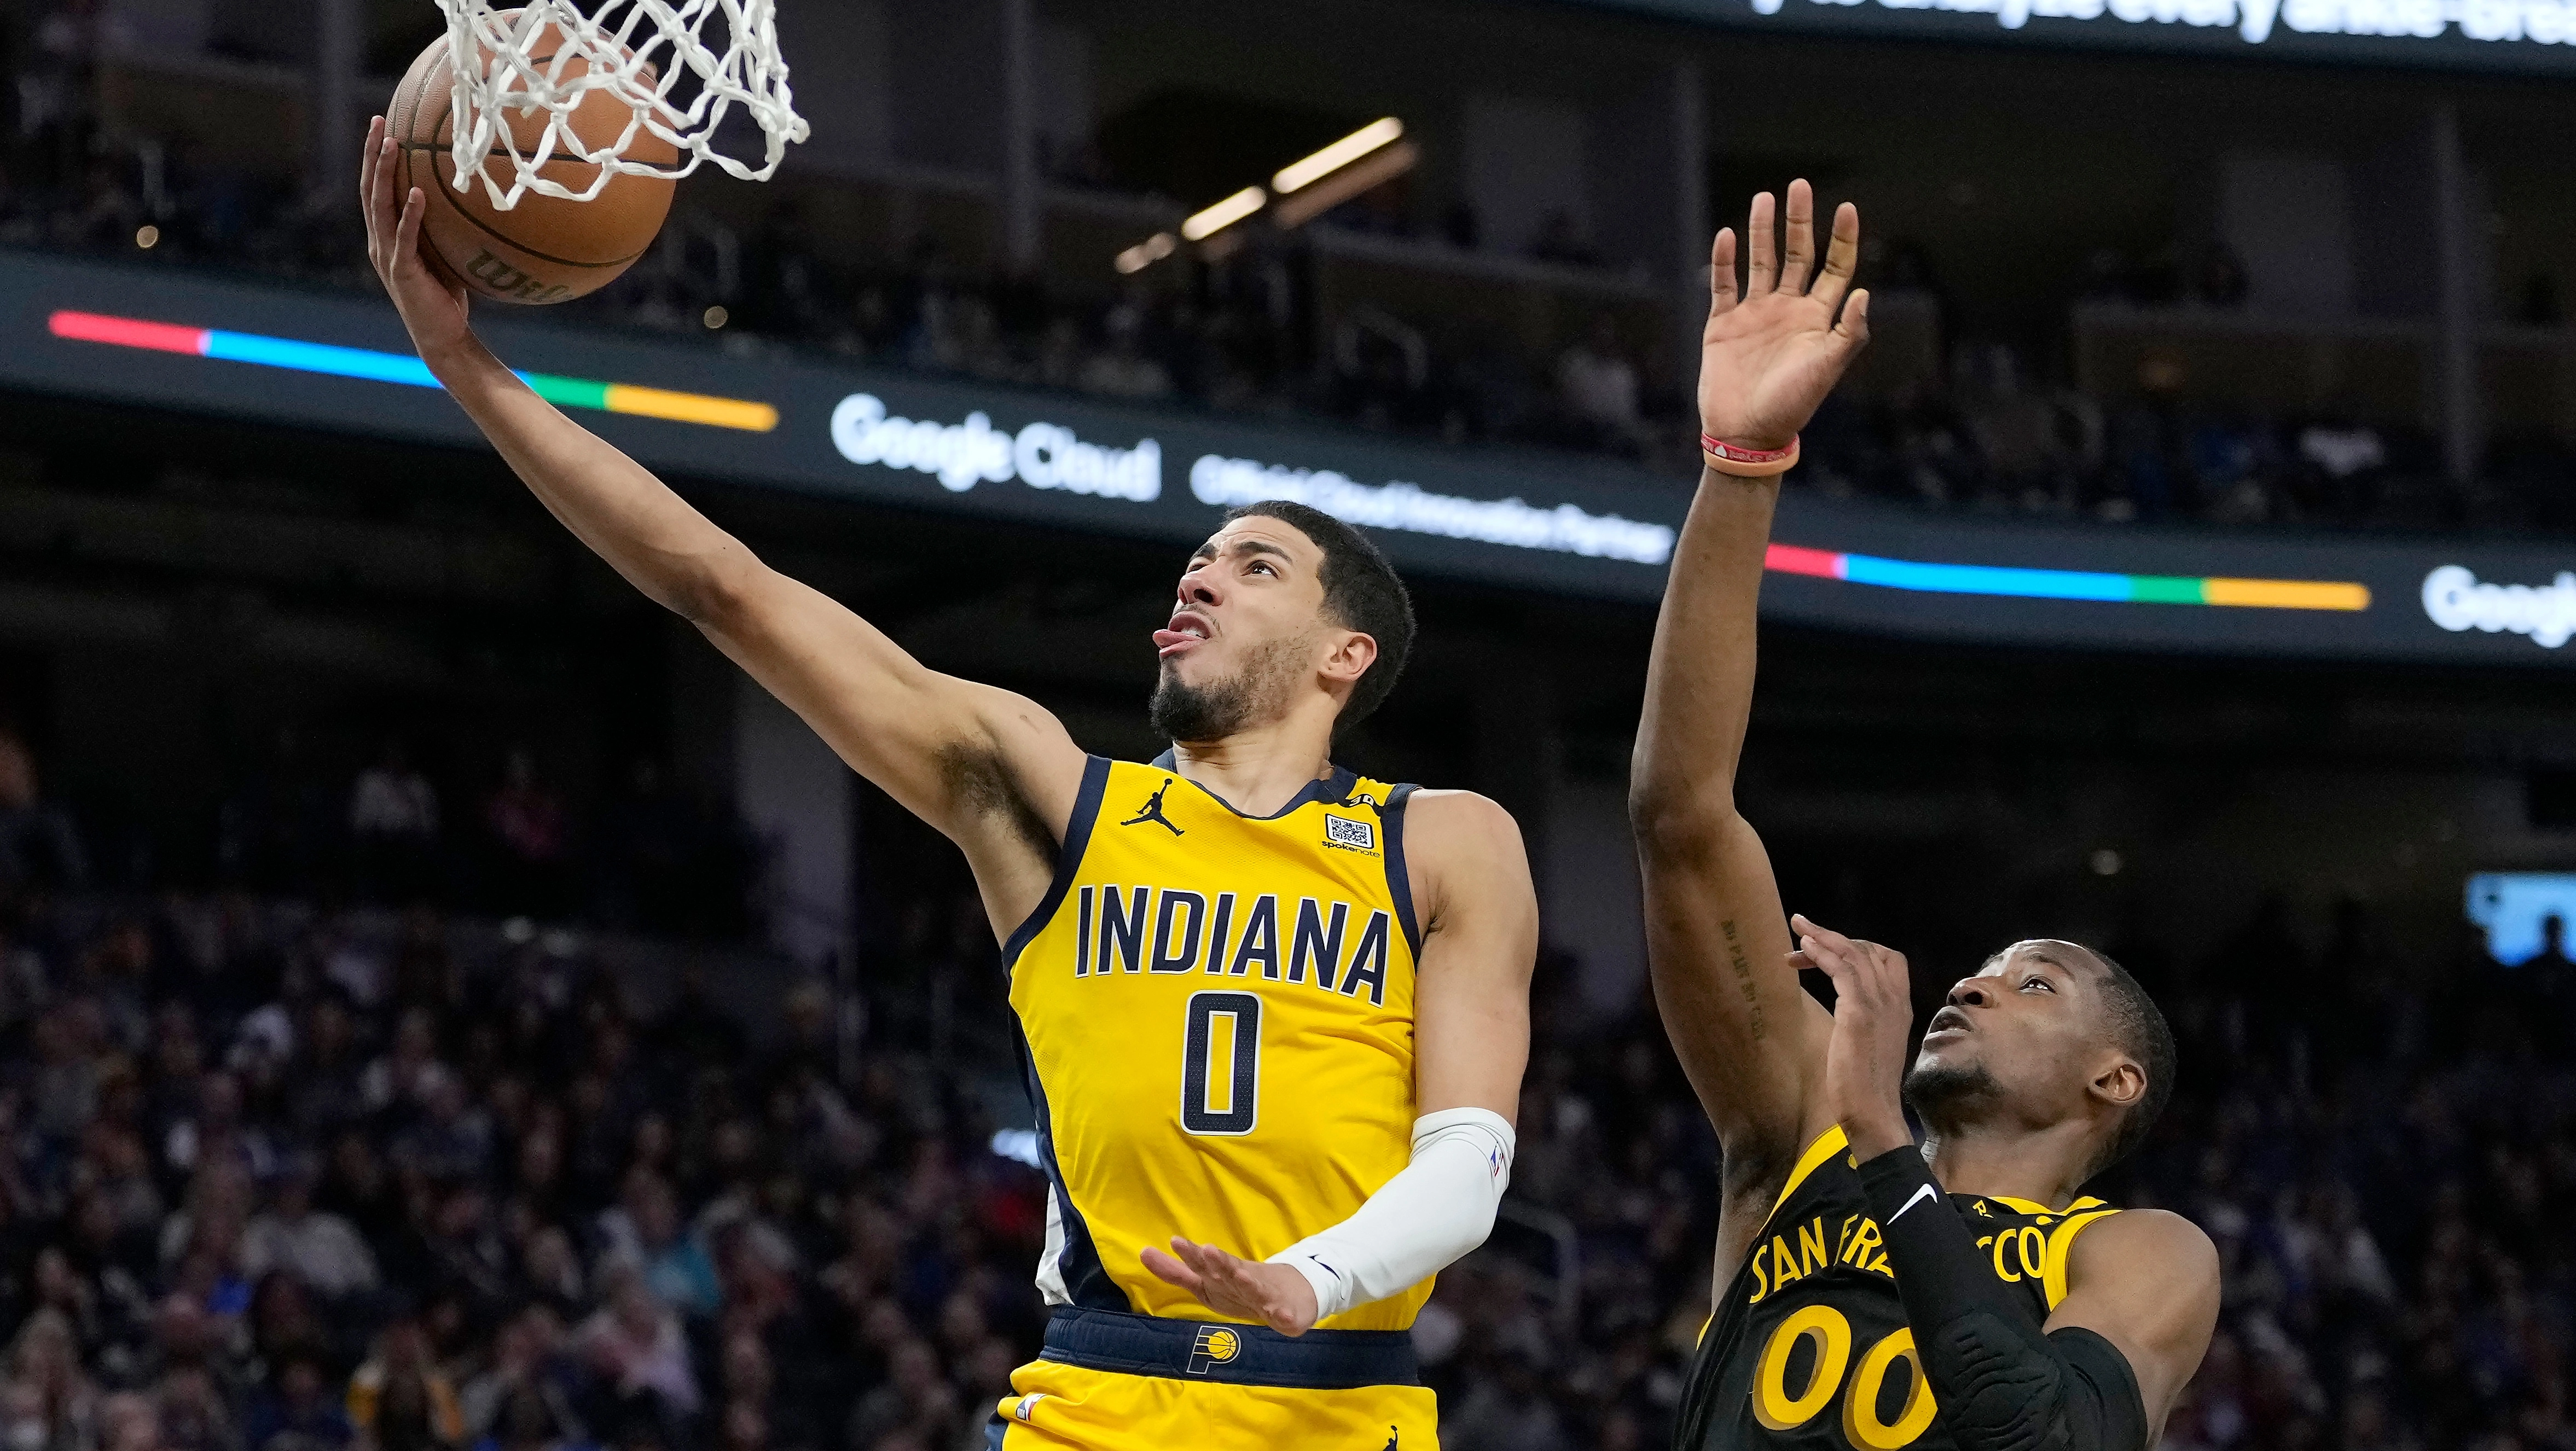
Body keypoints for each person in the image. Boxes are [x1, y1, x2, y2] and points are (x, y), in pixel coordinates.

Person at [357, 117, 1538, 1450]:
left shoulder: (1442, 840)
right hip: (1098, 1401)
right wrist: (467, 369)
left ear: (1347, 654)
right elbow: (724, 590)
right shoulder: (1054, 799)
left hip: (1343, 1398)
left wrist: (1304, 1282)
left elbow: (1467, 1167)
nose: (1197, 575)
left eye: (1253, 565)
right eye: (1194, 562)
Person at [1627, 181, 2220, 1450]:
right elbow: (1681, 816)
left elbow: (2038, 1440)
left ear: (2111, 1081)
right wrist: (1740, 466)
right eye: (1990, 969)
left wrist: (1887, 1145)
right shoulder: (1798, 1125)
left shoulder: (2138, 1257)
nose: (1976, 984)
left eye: (2036, 984)